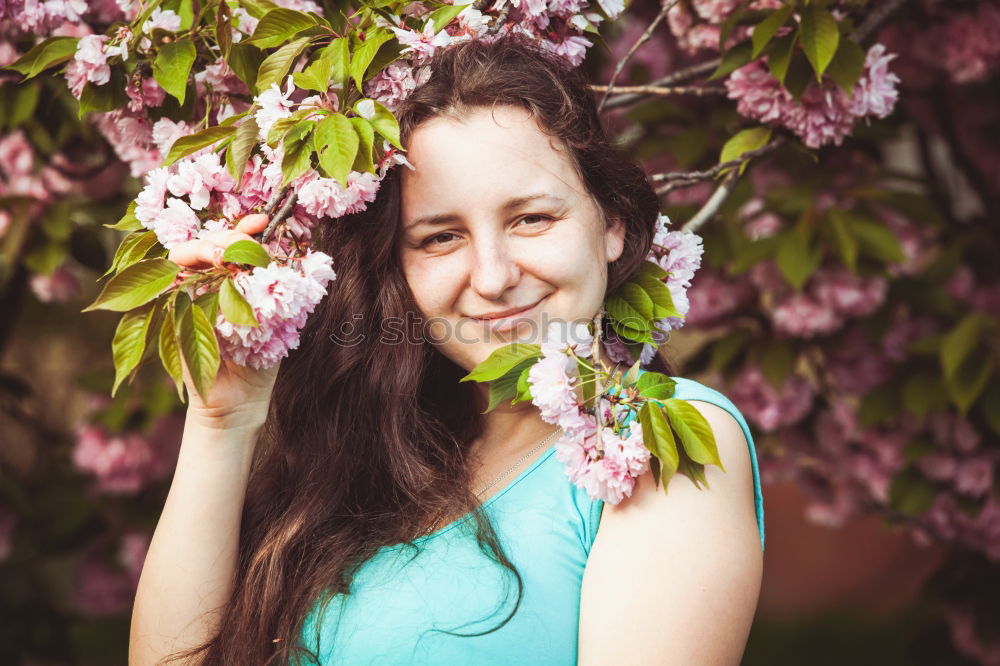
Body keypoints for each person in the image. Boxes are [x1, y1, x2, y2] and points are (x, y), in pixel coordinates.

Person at [129, 34, 765, 666]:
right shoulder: (373, 463)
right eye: (439, 238)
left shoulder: (651, 439)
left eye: (532, 219)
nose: (492, 277)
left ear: (611, 226)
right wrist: (222, 423)